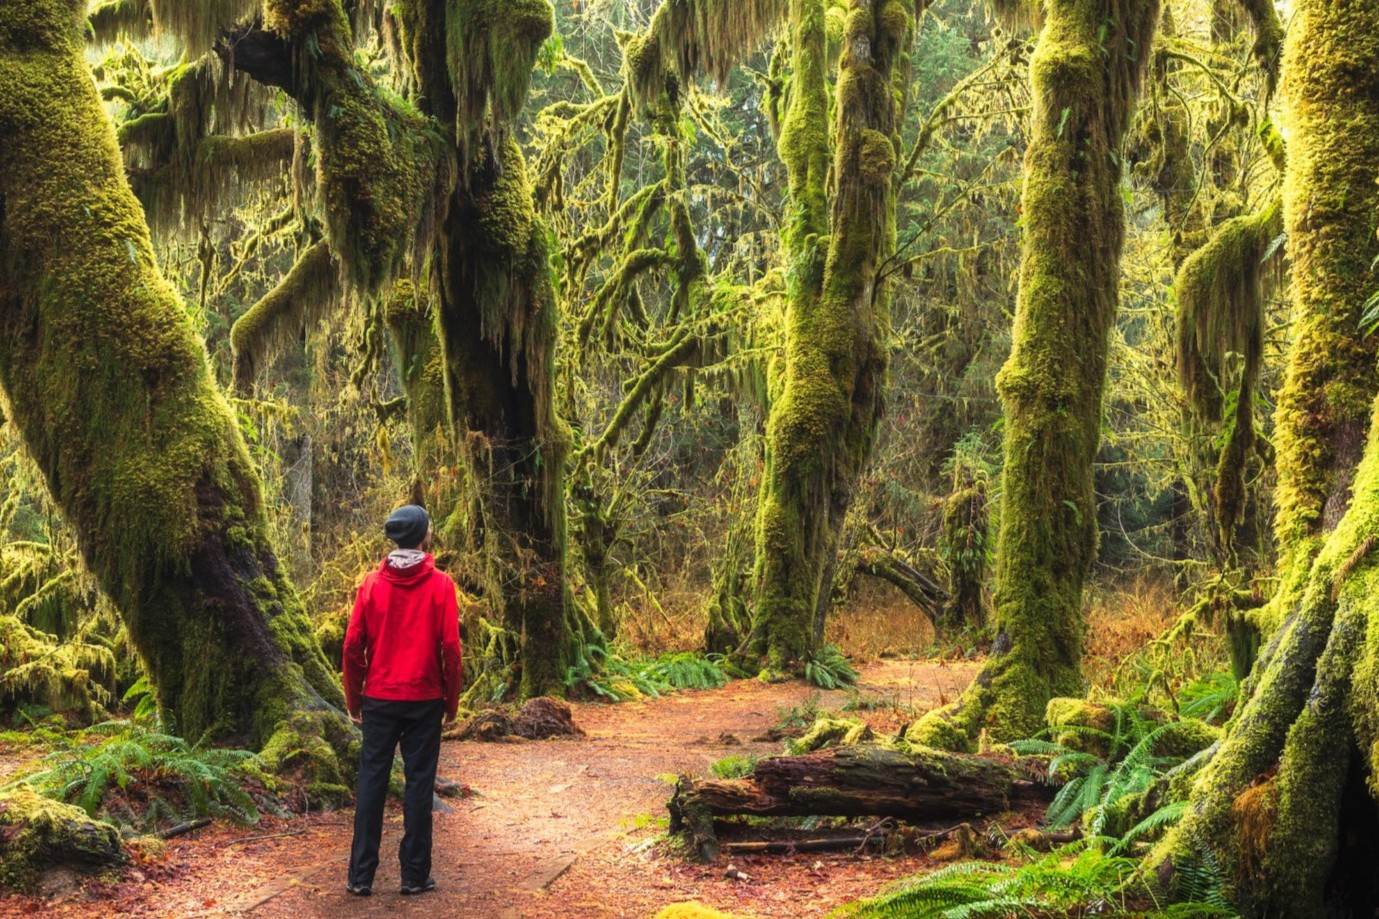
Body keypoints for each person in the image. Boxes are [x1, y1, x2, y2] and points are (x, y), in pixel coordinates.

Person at [343, 504, 462, 896]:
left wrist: (354, 700)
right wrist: (451, 701)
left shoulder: (371, 584)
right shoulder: (441, 585)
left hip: (378, 697)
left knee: (372, 782)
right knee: (418, 784)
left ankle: (360, 877)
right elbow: (451, 648)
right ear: (424, 536)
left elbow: (352, 646)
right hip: (425, 698)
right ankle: (414, 875)